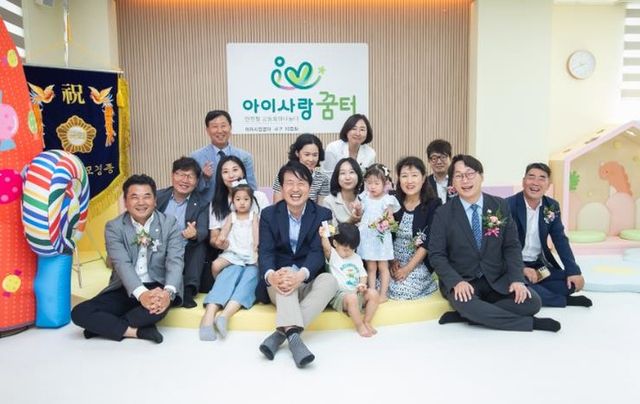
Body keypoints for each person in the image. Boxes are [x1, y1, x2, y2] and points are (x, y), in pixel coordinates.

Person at [429, 155, 561, 332]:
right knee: (466, 302)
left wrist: (517, 279)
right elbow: (437, 255)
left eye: (470, 174)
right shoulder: (443, 213)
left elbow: (511, 246)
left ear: (481, 176)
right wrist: (456, 282)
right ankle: (529, 323)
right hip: (464, 280)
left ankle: (469, 315)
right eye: (459, 176)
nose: (465, 180)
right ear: (452, 181)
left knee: (532, 302)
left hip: (497, 278)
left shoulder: (500, 205)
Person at [71, 175, 184, 343]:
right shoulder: (114, 227)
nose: (141, 202)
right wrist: (142, 294)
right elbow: (122, 264)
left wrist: (167, 293)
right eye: (134, 197)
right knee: (79, 313)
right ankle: (136, 332)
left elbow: (175, 260)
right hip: (125, 286)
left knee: (155, 309)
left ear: (155, 200)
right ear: (125, 202)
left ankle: (102, 326)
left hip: (157, 287)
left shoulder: (170, 223)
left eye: (147, 196)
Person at [257, 161, 337, 368]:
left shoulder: (323, 214)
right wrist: (271, 275)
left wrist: (300, 275)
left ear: (309, 187)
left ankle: (281, 334)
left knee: (329, 281)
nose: (295, 189)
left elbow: (318, 252)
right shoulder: (268, 215)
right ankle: (295, 340)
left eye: (301, 183)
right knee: (284, 275)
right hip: (279, 282)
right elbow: (265, 251)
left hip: (306, 279)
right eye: (289, 183)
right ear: (282, 187)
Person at [506, 163, 592, 308]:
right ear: (523, 181)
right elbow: (500, 245)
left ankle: (537, 289)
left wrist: (574, 271)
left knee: (570, 282)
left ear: (548, 184)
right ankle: (562, 300)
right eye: (531, 177)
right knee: (520, 287)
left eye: (542, 178)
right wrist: (521, 268)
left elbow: (560, 240)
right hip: (513, 266)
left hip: (538, 267)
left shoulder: (551, 206)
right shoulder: (508, 205)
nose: (535, 183)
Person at [199, 182, 260, 341]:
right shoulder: (231, 216)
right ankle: (208, 317)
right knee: (226, 272)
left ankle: (224, 316)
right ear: (232, 201)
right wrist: (221, 239)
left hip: (250, 255)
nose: (242, 202)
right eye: (238, 199)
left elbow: (256, 234)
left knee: (251, 276)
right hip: (233, 253)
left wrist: (256, 249)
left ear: (251, 201)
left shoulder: (253, 216)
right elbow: (224, 232)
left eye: (246, 199)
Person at [156, 157, 209, 308]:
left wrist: (195, 234)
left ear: (197, 181)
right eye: (180, 174)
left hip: (185, 249)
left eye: (190, 176)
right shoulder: (158, 196)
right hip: (159, 247)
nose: (185, 180)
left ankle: (188, 290)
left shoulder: (202, 203)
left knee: (200, 245)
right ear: (172, 175)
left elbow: (203, 230)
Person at [209, 155, 270, 277]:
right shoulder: (216, 203)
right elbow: (214, 236)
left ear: (243, 171)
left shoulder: (259, 197)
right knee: (217, 267)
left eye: (235, 170)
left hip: (254, 252)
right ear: (220, 176)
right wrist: (219, 242)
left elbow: (268, 229)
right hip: (231, 253)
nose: (231, 175)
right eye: (225, 172)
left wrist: (258, 248)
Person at [388, 156, 440, 300]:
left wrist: (407, 269)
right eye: (404, 176)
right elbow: (385, 234)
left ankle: (429, 284)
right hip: (393, 261)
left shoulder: (433, 204)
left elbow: (428, 242)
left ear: (423, 179)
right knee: (379, 286)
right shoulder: (392, 200)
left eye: (414, 175)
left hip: (418, 263)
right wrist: (391, 261)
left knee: (400, 291)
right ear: (399, 179)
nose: (409, 181)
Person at [319, 222, 379, 337]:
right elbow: (326, 248)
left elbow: (363, 275)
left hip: (356, 294)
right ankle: (359, 325)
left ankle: (367, 321)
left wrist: (362, 285)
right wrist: (324, 236)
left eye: (352, 249)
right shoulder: (333, 255)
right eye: (345, 249)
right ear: (335, 243)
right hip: (340, 296)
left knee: (374, 293)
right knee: (351, 298)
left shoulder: (356, 258)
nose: (349, 253)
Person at [191, 110, 257, 203]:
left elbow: (251, 187)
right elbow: (193, 191)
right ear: (207, 130)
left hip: (237, 208)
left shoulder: (244, 157)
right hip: (207, 208)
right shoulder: (196, 157)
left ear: (230, 127)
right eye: (215, 127)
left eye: (223, 126)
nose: (219, 130)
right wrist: (204, 179)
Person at [357, 163, 401, 303]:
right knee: (370, 267)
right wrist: (356, 208)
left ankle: (383, 294)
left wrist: (385, 222)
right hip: (367, 237)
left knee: (383, 266)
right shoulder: (365, 197)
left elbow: (391, 219)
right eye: (369, 183)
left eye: (376, 183)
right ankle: (372, 293)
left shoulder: (387, 199)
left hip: (381, 238)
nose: (372, 186)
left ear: (385, 183)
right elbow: (360, 213)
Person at [272, 133, 330, 205]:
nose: (311, 159)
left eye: (315, 155)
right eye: (307, 154)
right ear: (297, 153)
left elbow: (322, 208)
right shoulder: (284, 175)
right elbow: (277, 206)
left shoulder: (322, 179)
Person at [321, 157, 364, 226]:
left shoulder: (365, 198)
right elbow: (329, 230)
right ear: (337, 177)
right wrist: (350, 222)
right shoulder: (328, 202)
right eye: (342, 173)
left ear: (358, 176)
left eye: (351, 172)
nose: (347, 177)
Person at [426, 139, 454, 204]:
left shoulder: (458, 180)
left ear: (450, 158)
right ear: (429, 161)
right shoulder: (425, 183)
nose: (439, 162)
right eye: (434, 158)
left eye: (443, 157)